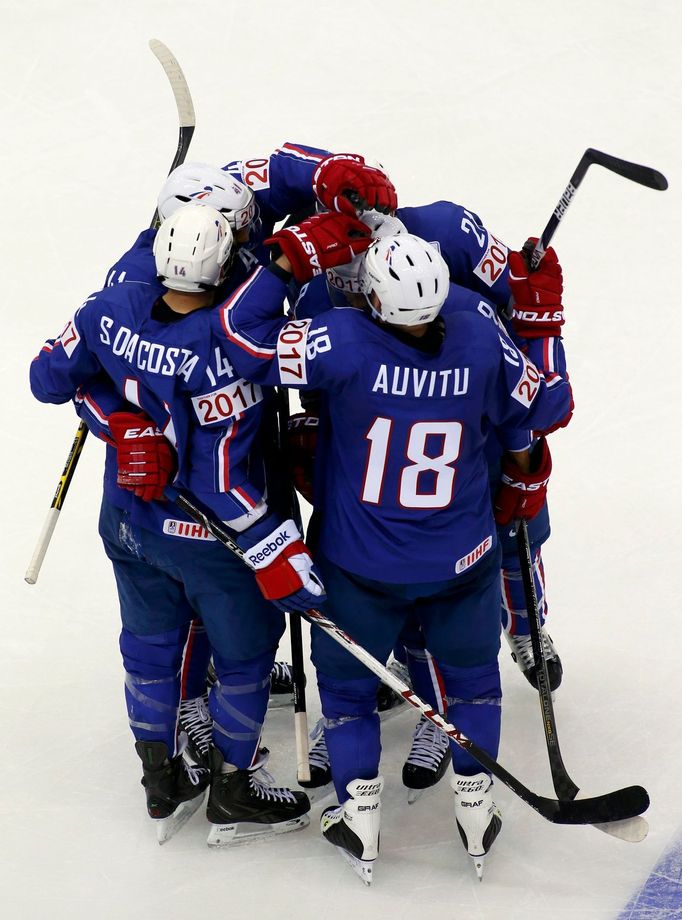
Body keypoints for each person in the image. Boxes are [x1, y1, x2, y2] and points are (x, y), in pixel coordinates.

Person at [210, 213, 573, 881]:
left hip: (359, 563)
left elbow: (236, 340)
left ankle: (361, 816)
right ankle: (474, 805)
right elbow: (546, 408)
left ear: (373, 296)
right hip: (462, 559)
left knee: (347, 696)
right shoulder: (475, 323)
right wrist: (543, 320)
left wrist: (284, 266)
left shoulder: (341, 338)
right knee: (473, 688)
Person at [30, 204, 366, 845]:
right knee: (244, 658)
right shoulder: (225, 349)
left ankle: (160, 780)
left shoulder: (108, 308)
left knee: (150, 644)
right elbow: (221, 481)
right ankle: (232, 789)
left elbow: (48, 378)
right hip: (213, 541)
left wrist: (118, 421)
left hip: (128, 523)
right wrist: (274, 546)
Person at [77, 146, 400, 757]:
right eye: (243, 230)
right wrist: (123, 425)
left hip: (207, 466)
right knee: (212, 609)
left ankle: (187, 725)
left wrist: (321, 173)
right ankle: (203, 714)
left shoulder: (193, 252)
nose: (255, 231)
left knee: (179, 609)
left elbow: (270, 176)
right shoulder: (146, 294)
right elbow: (97, 389)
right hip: (197, 485)